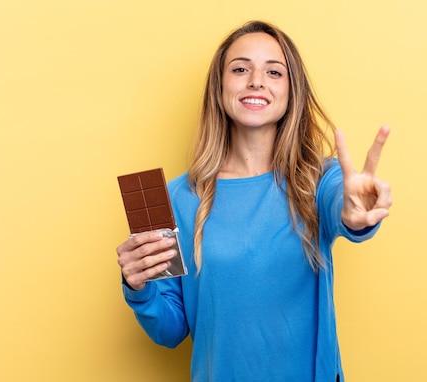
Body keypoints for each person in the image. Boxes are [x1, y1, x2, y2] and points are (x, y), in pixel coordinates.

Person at [116, 20, 392, 382]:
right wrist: (138, 287)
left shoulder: (319, 179)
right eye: (241, 69)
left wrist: (357, 214)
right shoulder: (172, 198)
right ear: (219, 87)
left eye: (273, 72)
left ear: (292, 91)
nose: (256, 81)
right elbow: (169, 332)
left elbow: (344, 208)